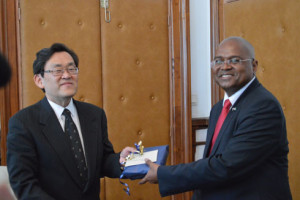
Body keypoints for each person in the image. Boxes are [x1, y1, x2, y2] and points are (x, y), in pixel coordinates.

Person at [139, 37, 292, 199]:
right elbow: (212, 164)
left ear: (253, 65)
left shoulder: (263, 107)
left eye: (235, 60)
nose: (225, 67)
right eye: (218, 61)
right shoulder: (219, 108)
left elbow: (227, 166)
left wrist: (164, 174)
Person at [6, 43, 135, 200]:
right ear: (39, 80)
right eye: (57, 70)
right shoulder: (23, 122)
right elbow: (23, 184)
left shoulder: (95, 114)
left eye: (71, 69)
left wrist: (120, 160)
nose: (67, 75)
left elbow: (102, 161)